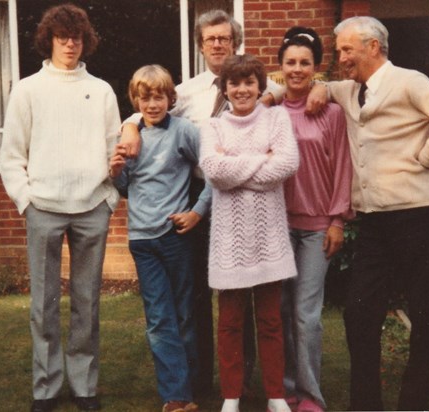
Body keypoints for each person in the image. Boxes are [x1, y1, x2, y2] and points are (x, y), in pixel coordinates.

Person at [120, 9, 284, 396]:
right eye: (210, 39)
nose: (217, 44)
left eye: (224, 38)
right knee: (194, 293)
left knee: (239, 289)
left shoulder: (258, 84)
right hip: (195, 196)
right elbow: (150, 110)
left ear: (235, 42)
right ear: (200, 44)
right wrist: (128, 125)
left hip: (241, 194)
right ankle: (199, 381)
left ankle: (239, 383)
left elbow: (299, 84)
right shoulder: (189, 90)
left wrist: (292, 90)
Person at [314, 16, 429, 410]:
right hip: (373, 221)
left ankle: (414, 403)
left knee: (422, 312)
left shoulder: (409, 80)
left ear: (374, 47)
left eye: (348, 49)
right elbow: (297, 85)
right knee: (358, 313)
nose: (342, 57)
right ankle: (366, 405)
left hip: (419, 215)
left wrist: (427, 155)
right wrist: (279, 94)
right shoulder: (350, 90)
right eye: (339, 51)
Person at [0, 4, 121, 412]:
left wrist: (110, 198)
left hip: (92, 208)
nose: (70, 43)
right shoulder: (28, 89)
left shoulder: (101, 90)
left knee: (87, 303)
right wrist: (26, 201)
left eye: (77, 37)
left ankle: (84, 386)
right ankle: (46, 389)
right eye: (62, 36)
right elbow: (11, 155)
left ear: (85, 41)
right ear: (48, 40)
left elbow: (114, 151)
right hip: (43, 209)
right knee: (44, 305)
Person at [199, 54, 299, 412]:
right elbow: (213, 171)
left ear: (260, 86)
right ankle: (231, 396)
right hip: (229, 241)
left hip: (270, 237)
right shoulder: (213, 127)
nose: (242, 90)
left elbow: (287, 163)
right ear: (225, 89)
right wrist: (261, 158)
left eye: (249, 83)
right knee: (229, 324)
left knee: (271, 321)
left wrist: (235, 166)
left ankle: (275, 395)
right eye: (235, 84)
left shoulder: (277, 117)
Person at [109, 64, 210, 412]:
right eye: (145, 97)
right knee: (157, 319)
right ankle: (175, 394)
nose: (152, 104)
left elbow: (213, 173)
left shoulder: (184, 131)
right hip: (141, 239)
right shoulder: (129, 136)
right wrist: (117, 173)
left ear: (170, 98)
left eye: (159, 97)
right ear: (135, 100)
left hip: (175, 235)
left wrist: (196, 210)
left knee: (184, 313)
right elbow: (126, 187)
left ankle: (190, 387)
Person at [277, 27, 353, 412]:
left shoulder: (331, 112)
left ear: (315, 68)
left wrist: (338, 220)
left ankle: (310, 395)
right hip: (277, 226)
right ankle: (287, 389)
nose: (297, 69)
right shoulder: (269, 111)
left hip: (317, 228)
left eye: (305, 63)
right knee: (282, 310)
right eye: (290, 62)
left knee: (306, 314)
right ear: (280, 67)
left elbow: (342, 167)